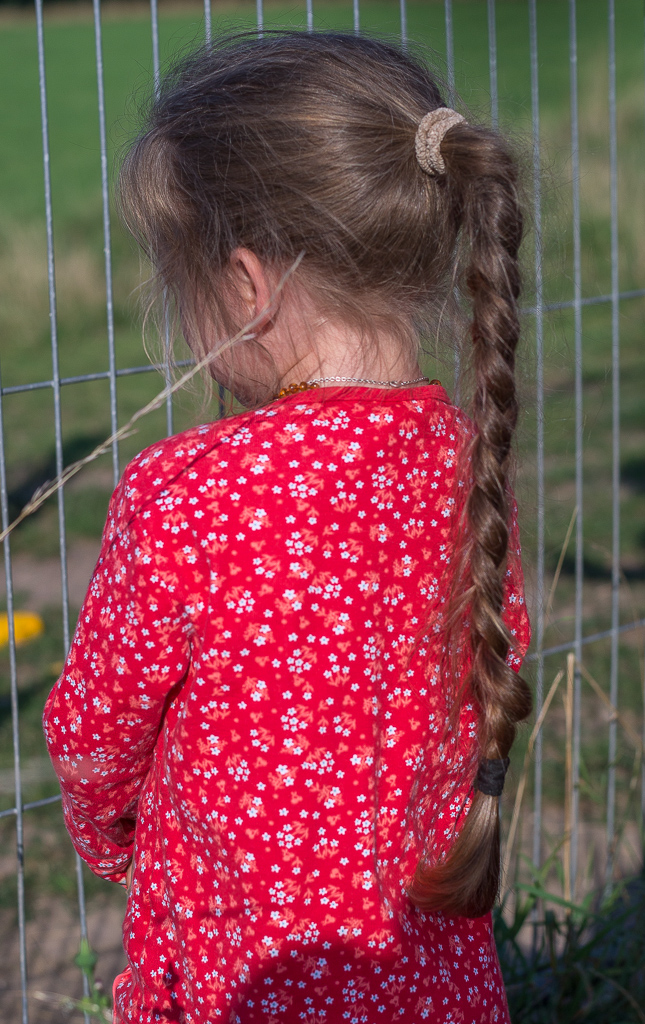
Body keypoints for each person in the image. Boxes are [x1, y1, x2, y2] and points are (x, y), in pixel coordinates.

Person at [43, 31, 532, 1024]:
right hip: (431, 988)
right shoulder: (465, 465)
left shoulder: (188, 493)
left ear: (246, 287)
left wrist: (110, 839)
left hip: (245, 983)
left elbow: (97, 732)